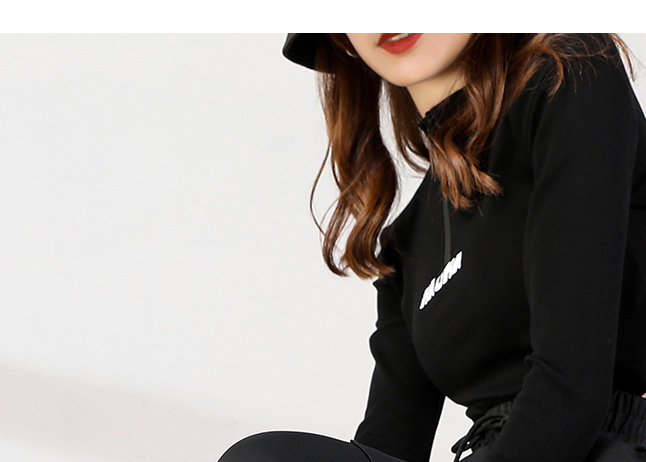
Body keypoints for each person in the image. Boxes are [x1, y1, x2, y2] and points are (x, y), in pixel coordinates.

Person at [217, 33, 646, 462]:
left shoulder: (571, 76)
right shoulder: (406, 245)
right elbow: (388, 443)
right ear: (341, 38)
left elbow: (570, 392)